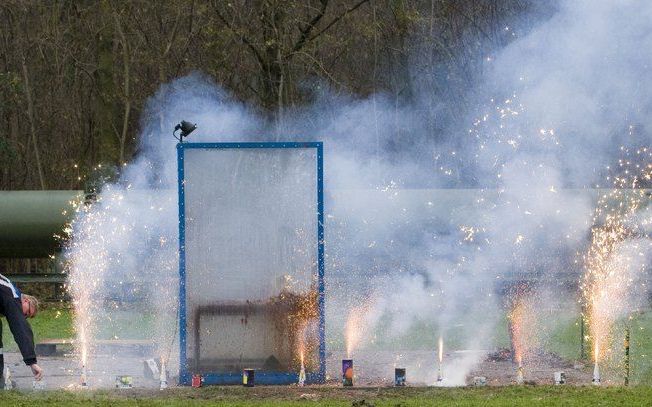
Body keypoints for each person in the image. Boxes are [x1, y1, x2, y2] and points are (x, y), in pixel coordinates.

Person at [0, 273, 43, 387]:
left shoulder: (8, 290)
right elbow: (21, 328)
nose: (24, 316)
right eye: (27, 313)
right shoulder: (13, 297)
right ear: (25, 301)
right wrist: (32, 362)